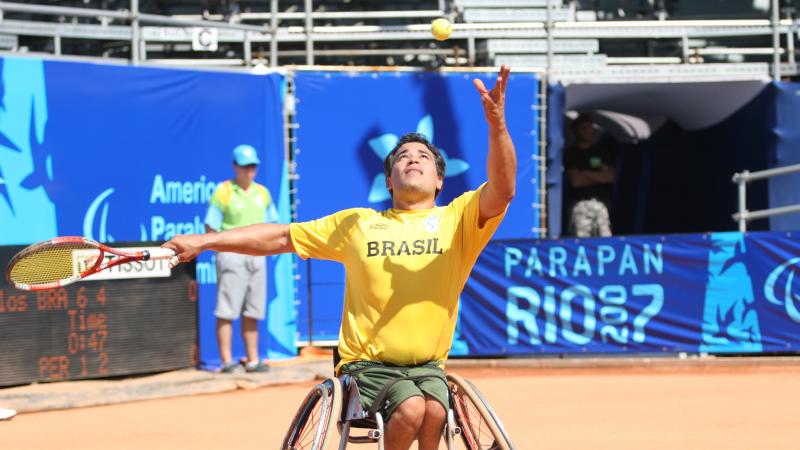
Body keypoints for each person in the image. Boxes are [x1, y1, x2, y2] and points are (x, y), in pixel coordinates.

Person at [165, 65, 515, 450]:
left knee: (433, 409)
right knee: (414, 408)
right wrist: (204, 242)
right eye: (402, 157)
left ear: (438, 180)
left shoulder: (458, 218)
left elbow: (503, 189)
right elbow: (281, 236)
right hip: (368, 367)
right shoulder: (358, 224)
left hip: (429, 368)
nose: (412, 159)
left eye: (423, 157)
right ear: (388, 180)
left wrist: (497, 126)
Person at [204, 144, 279, 374]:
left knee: (253, 310)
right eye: (245, 166)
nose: (250, 170)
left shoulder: (263, 193)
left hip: (257, 257)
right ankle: (226, 361)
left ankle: (253, 360)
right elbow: (210, 227)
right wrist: (222, 250)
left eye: (253, 166)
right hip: (231, 257)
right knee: (227, 310)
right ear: (235, 166)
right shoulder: (223, 192)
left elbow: (273, 225)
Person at [563, 112, 615, 237]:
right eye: (583, 127)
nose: (587, 131)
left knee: (605, 239)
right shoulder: (571, 153)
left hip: (600, 204)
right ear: (576, 130)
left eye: (590, 127)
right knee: (581, 241)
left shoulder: (601, 152)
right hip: (581, 204)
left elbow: (610, 177)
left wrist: (584, 173)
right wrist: (598, 176)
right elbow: (576, 181)